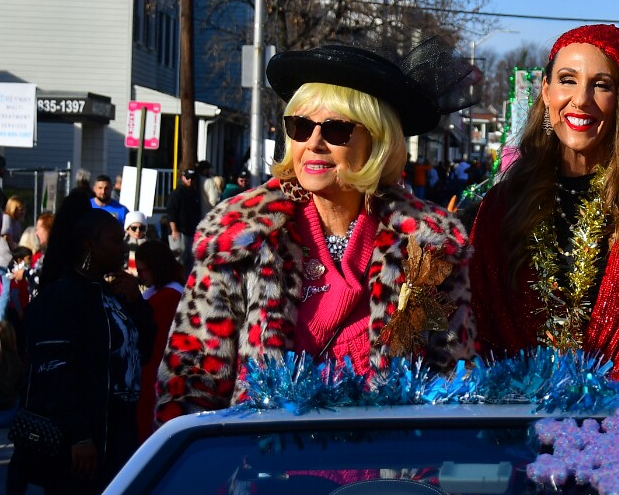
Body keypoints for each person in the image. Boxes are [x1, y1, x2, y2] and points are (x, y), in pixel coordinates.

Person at [156, 40, 478, 422]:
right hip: (261, 456)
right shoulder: (240, 236)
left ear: (377, 141)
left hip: (388, 458)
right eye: (300, 126)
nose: (313, 143)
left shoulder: (428, 245)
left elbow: (454, 385)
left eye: (337, 129)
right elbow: (190, 384)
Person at [469, 25, 619, 384]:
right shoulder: (502, 205)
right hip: (511, 407)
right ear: (546, 92)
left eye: (601, 85)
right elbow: (477, 325)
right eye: (567, 80)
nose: (581, 99)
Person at [9, 184, 155, 495]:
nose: (123, 247)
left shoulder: (109, 292)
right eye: (114, 240)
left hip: (117, 430)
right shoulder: (63, 297)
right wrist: (80, 435)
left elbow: (143, 348)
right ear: (90, 245)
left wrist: (137, 303)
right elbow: (55, 372)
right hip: (79, 440)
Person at [132, 240, 182, 441]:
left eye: (142, 270)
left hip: (156, 379)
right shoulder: (161, 294)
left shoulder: (167, 298)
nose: (139, 276)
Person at [164, 169, 204, 266]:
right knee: (178, 260)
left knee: (190, 262)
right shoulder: (176, 193)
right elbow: (171, 213)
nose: (190, 180)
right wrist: (174, 230)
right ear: (182, 178)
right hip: (179, 233)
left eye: (192, 178)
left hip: (191, 232)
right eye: (187, 178)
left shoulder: (194, 193)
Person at [0, 195, 27, 269]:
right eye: (20, 209)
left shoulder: (17, 223)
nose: (23, 212)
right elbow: (7, 236)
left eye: (24, 209)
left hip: (12, 260)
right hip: (5, 259)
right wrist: (16, 252)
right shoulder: (6, 218)